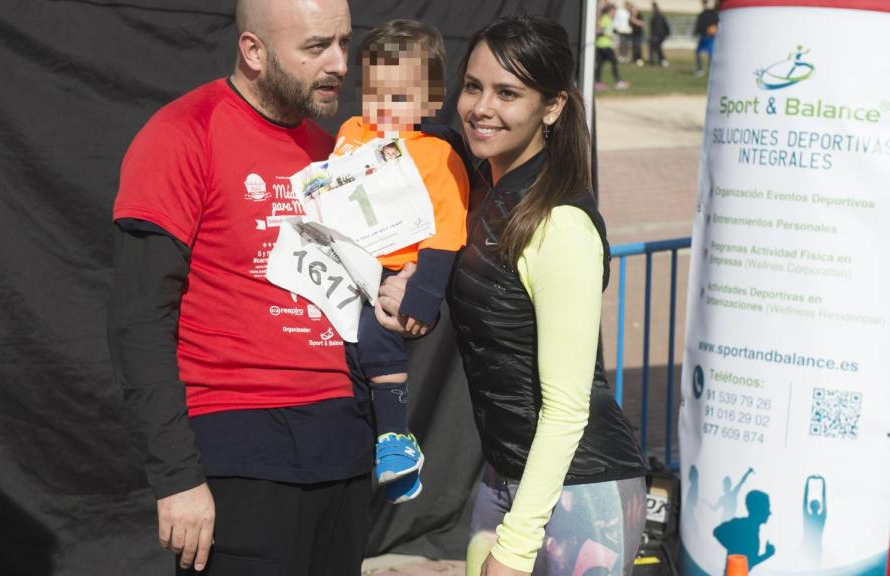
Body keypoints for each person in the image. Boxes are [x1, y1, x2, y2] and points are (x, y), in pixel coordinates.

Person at [107, 0, 374, 573]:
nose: (339, 63)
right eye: (315, 47)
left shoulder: (331, 154)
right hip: (238, 451)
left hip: (341, 447)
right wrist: (176, 477)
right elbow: (138, 320)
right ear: (253, 51)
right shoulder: (182, 134)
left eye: (345, 43)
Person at [377, 15, 650, 575]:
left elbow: (567, 409)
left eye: (508, 93)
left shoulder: (562, 227)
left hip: (580, 493)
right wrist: (413, 289)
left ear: (551, 107)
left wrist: (518, 544)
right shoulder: (483, 191)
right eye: (473, 86)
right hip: (507, 476)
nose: (482, 107)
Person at [332, 19, 470, 504]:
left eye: (399, 97)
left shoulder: (439, 154)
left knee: (374, 339)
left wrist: (425, 295)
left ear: (431, 101)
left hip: (394, 271)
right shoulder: (352, 130)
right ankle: (357, 437)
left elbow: (449, 232)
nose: (384, 108)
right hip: (338, 263)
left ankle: (395, 440)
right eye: (375, 93)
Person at [713, 490, 777, 570]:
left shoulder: (750, 528)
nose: (769, 512)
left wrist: (767, 554)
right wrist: (735, 550)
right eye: (766, 508)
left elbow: (749, 563)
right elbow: (717, 531)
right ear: (758, 509)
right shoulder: (744, 527)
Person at [595, 5, 629, 90]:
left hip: (602, 45)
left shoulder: (608, 19)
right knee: (614, 61)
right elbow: (599, 30)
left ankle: (598, 82)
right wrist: (605, 33)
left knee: (600, 64)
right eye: (613, 11)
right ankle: (618, 82)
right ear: (609, 11)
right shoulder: (605, 18)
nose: (614, 13)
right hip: (603, 45)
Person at [693, 0, 719, 77]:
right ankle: (703, 69)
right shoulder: (714, 14)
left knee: (707, 53)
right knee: (705, 53)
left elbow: (699, 25)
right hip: (707, 36)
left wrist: (695, 32)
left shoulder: (706, 14)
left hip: (708, 36)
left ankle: (703, 70)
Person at [648, 2, 670, 67]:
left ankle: (662, 60)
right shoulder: (659, 14)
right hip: (660, 35)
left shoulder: (657, 16)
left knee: (657, 47)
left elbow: (657, 27)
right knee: (656, 47)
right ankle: (658, 61)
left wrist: (655, 36)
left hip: (659, 35)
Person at [627, 2, 645, 67]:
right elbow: (629, 24)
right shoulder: (630, 15)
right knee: (633, 47)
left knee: (638, 46)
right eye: (632, 9)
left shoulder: (639, 15)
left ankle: (639, 59)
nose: (633, 10)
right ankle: (634, 59)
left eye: (634, 9)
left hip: (639, 33)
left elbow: (642, 23)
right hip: (633, 33)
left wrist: (634, 20)